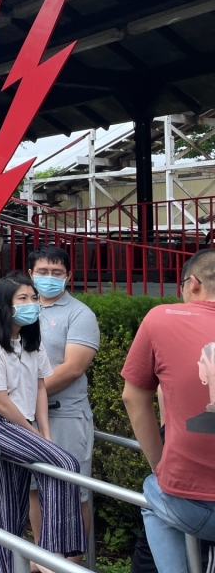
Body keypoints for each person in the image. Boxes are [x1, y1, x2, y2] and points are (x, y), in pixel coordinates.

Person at [0, 273, 85, 573]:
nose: (32, 304)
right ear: (5, 304)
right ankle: (51, 554)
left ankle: (19, 564)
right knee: (64, 464)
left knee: (11, 503)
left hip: (20, 421)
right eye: (23, 299)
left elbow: (41, 387)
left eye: (33, 298)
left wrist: (44, 431)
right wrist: (34, 433)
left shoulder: (30, 339)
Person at [122, 249, 215, 573]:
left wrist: (161, 466)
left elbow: (134, 396)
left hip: (193, 504)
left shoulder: (163, 317)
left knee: (155, 489)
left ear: (193, 284)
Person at [25, 245, 99, 566]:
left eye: (57, 273)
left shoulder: (80, 314)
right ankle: (44, 555)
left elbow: (73, 368)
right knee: (33, 489)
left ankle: (71, 562)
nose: (49, 278)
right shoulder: (21, 309)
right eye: (43, 272)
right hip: (24, 417)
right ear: (31, 274)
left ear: (68, 276)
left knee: (73, 493)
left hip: (65, 415)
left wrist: (25, 395)